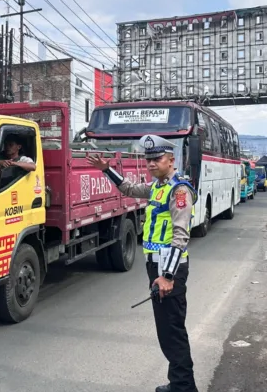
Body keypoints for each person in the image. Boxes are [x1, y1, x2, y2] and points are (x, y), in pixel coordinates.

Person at [87, 134, 198, 392]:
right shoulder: (158, 186)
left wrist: (167, 276)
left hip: (169, 268)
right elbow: (128, 188)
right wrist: (107, 170)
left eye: (156, 159)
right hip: (157, 267)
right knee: (168, 332)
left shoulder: (178, 190)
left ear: (171, 160)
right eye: (148, 159)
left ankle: (184, 387)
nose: (150, 164)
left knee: (172, 332)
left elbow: (180, 235)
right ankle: (180, 383)